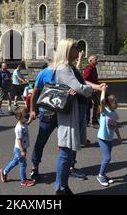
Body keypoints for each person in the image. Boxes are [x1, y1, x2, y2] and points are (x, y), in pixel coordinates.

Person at [52, 39, 96, 195]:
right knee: (65, 153)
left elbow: (78, 86)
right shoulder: (64, 69)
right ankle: (60, 188)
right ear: (68, 51)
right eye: (75, 48)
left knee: (68, 152)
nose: (78, 50)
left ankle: (63, 186)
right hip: (68, 113)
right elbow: (79, 88)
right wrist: (90, 89)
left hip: (72, 110)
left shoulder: (68, 67)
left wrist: (84, 88)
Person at [0, 106, 35, 187]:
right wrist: (22, 150)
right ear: (19, 117)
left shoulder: (23, 123)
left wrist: (31, 120)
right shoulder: (18, 128)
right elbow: (19, 140)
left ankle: (4, 172)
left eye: (28, 115)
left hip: (22, 148)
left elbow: (27, 123)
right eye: (26, 116)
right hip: (19, 149)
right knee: (23, 164)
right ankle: (23, 181)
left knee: (15, 161)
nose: (27, 117)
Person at [97, 84, 122, 187]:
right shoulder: (104, 112)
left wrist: (119, 137)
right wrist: (103, 90)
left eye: (117, 102)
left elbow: (115, 126)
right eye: (114, 103)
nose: (117, 104)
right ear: (109, 104)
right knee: (107, 158)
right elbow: (102, 101)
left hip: (109, 139)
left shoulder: (115, 114)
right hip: (102, 138)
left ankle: (103, 174)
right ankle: (100, 175)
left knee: (106, 159)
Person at [82, 54, 101, 128]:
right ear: (90, 61)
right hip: (90, 90)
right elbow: (85, 79)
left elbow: (95, 80)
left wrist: (100, 84)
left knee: (95, 105)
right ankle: (89, 121)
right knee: (89, 105)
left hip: (94, 90)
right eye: (95, 59)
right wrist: (92, 87)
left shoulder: (94, 68)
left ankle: (93, 120)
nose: (97, 61)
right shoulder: (89, 68)